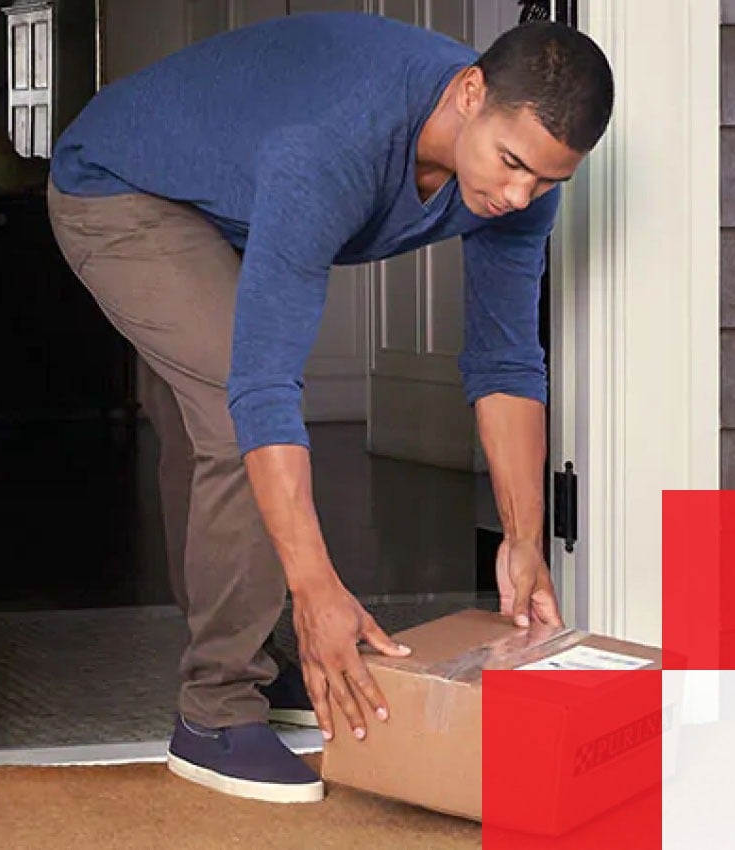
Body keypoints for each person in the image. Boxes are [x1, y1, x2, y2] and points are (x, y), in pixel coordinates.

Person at [47, 11, 613, 804]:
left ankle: (248, 651)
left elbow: (506, 360)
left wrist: (522, 539)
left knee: (211, 415)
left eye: (550, 180)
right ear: (469, 91)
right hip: (122, 188)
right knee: (230, 400)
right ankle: (214, 712)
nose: (521, 194)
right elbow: (263, 390)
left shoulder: (522, 187)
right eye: (513, 163)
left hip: (231, 198)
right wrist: (316, 591)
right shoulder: (333, 144)